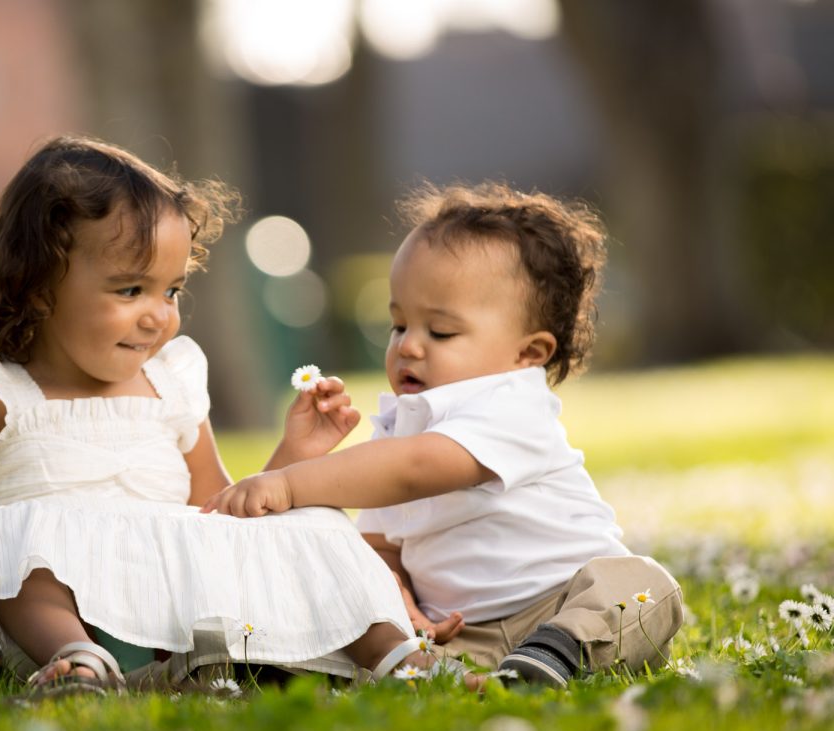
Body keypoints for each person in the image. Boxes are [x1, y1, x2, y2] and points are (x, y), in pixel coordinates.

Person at [0, 135, 464, 695]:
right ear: (38, 287)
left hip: (173, 603)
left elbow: (219, 512)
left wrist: (293, 457)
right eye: (130, 291)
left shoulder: (170, 382)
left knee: (320, 526)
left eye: (170, 290)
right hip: (63, 613)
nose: (158, 316)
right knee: (21, 544)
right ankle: (78, 661)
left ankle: (400, 659)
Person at [203, 182, 683, 687]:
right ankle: (432, 671)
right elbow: (380, 543)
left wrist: (290, 484)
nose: (408, 347)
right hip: (456, 633)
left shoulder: (513, 405)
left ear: (529, 354)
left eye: (441, 332)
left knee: (642, 586)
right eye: (397, 326)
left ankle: (558, 653)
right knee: (346, 588)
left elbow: (416, 470)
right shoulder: (402, 426)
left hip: (562, 604)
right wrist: (397, 597)